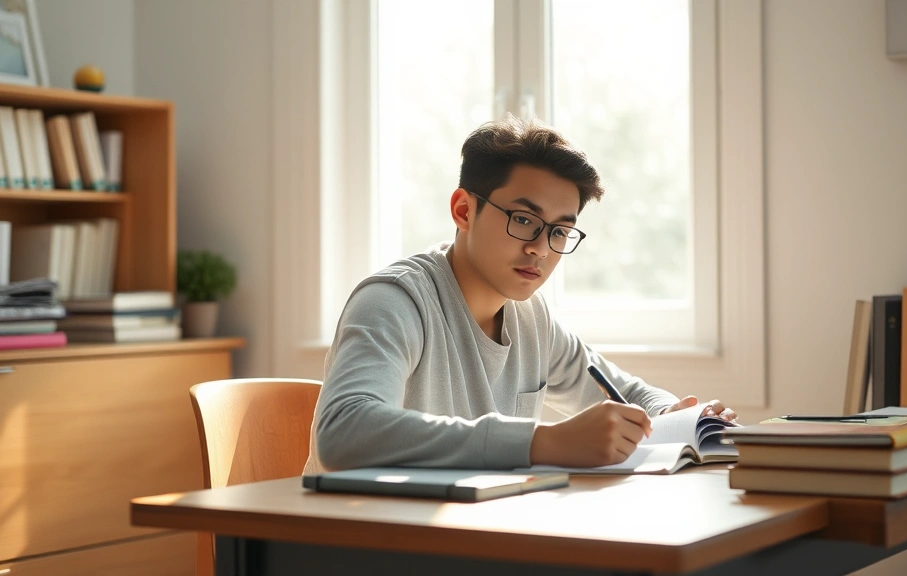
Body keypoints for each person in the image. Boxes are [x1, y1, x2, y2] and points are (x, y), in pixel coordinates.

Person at [304, 116, 737, 474]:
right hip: (366, 542)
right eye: (524, 220)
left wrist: (677, 417)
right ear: (463, 210)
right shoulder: (394, 301)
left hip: (472, 535)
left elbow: (626, 394)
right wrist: (542, 441)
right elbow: (345, 432)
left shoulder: (530, 315)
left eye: (560, 231)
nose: (541, 248)